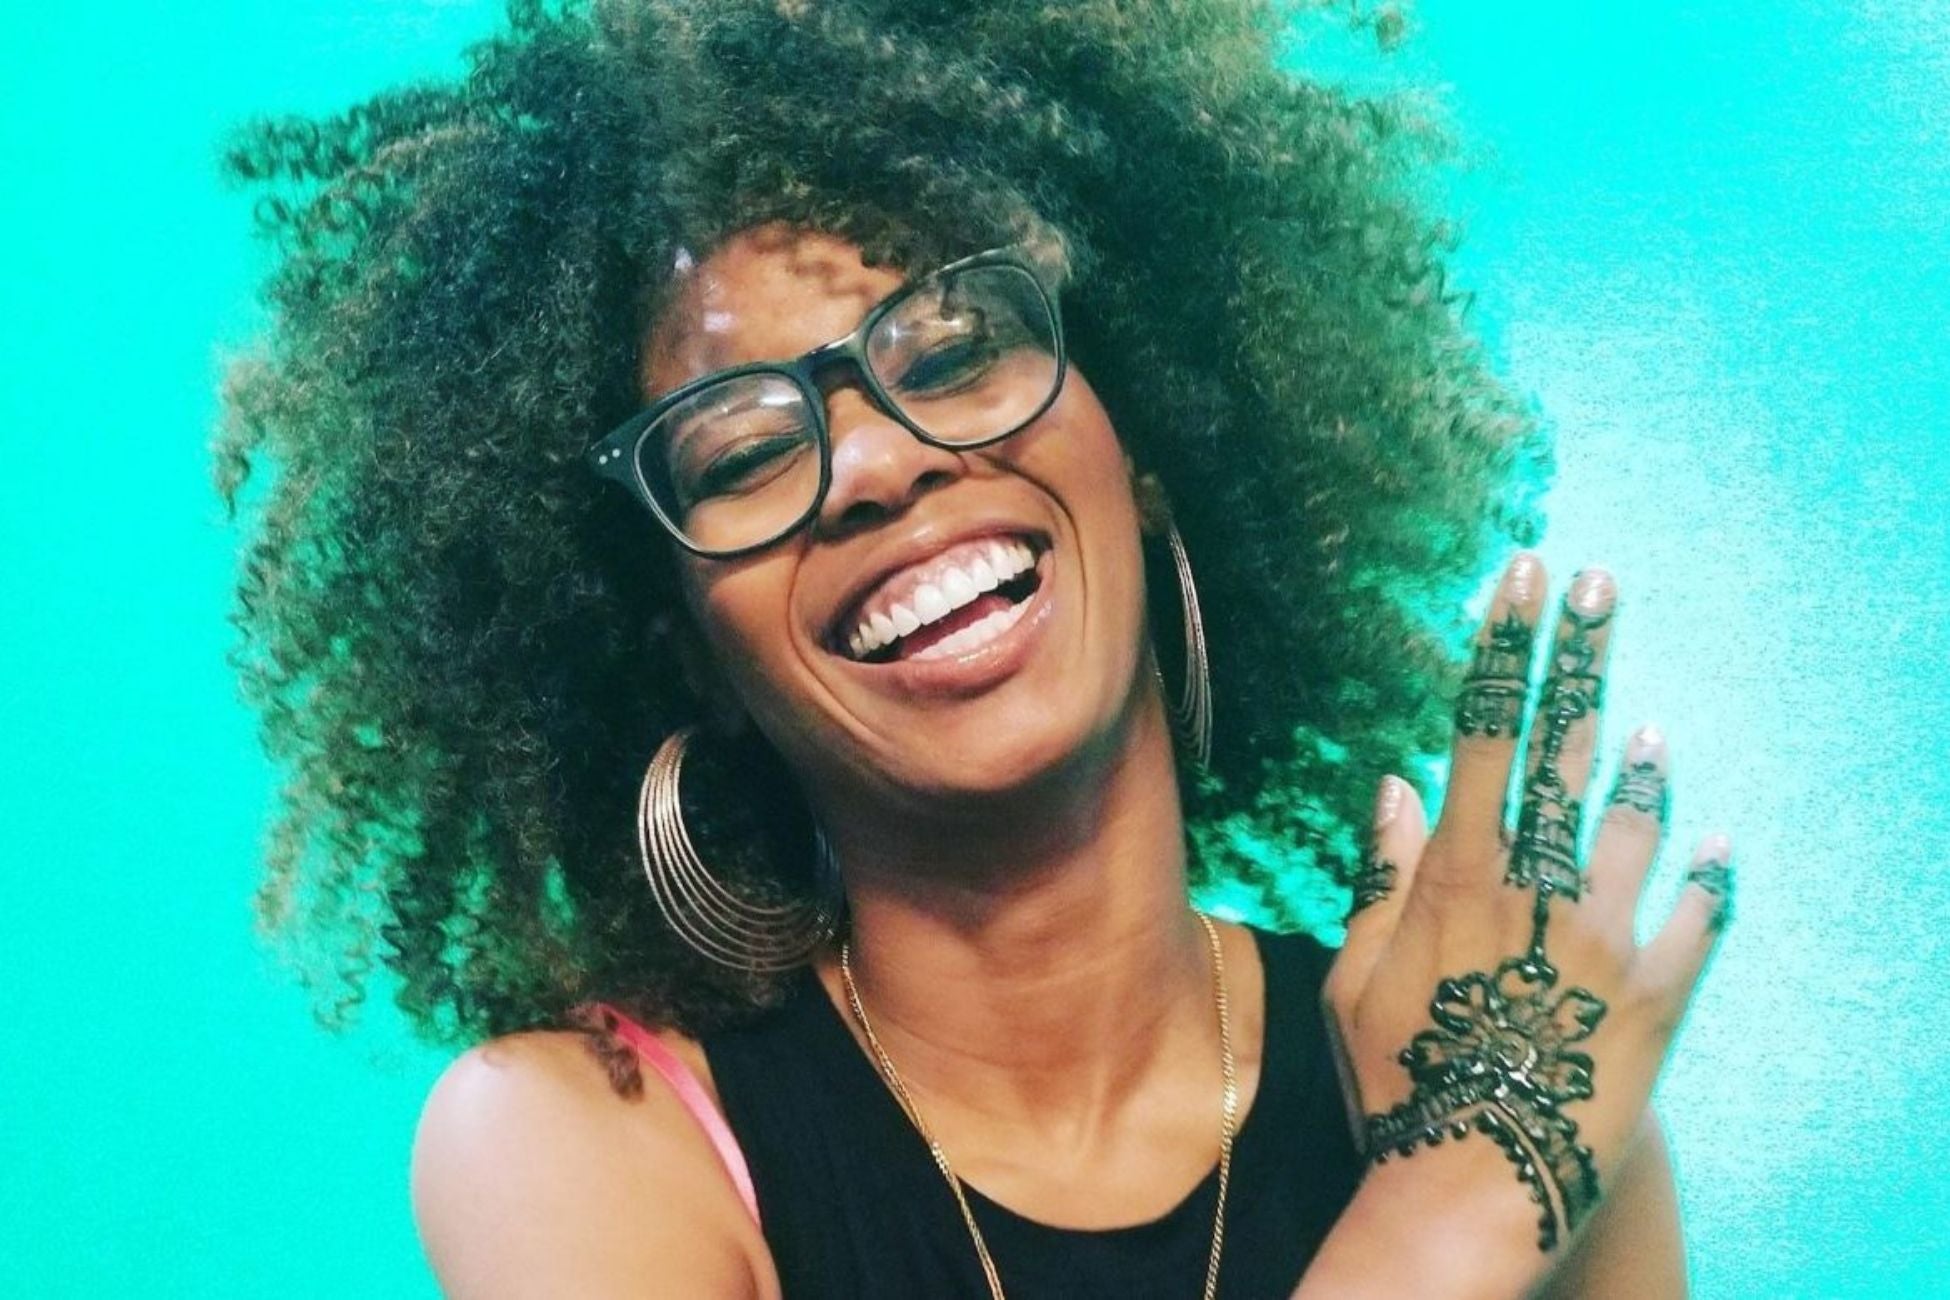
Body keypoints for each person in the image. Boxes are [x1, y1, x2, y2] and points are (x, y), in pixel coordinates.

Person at [214, 2, 1733, 1295]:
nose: (875, 466)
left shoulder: (1513, 1091)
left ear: (1147, 445)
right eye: (742, 453)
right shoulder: (575, 1143)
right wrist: (1446, 1220)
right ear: (678, 643)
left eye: (950, 352)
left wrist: (1490, 1157)